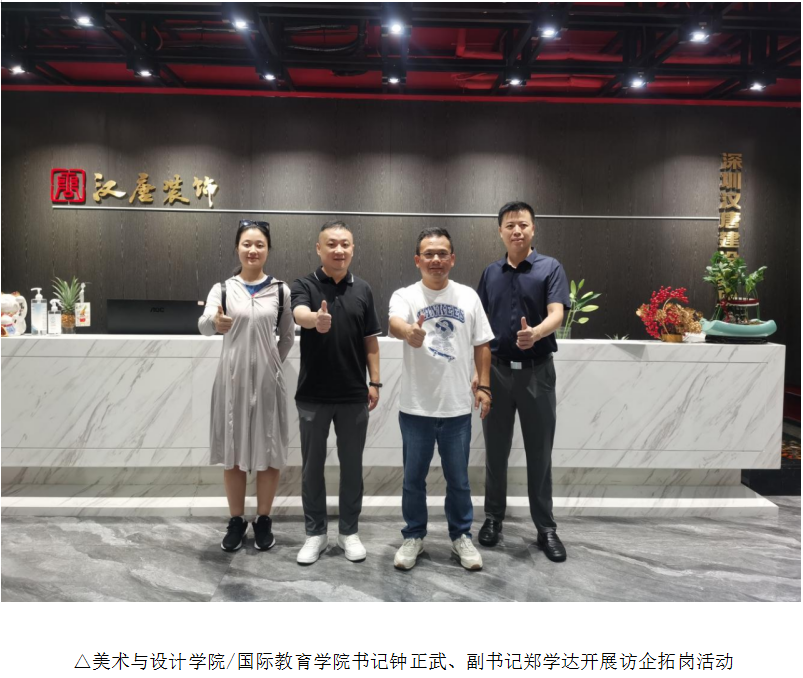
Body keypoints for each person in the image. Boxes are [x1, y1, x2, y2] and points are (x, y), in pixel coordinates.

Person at [389, 227, 493, 571]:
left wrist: (484, 385)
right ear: (417, 260)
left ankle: (461, 536)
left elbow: (483, 344)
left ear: (453, 258)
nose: (436, 259)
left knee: (459, 480)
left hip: (456, 408)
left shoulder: (468, 297)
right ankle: (413, 536)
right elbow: (394, 323)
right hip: (415, 407)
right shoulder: (405, 295)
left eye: (442, 253)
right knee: (412, 480)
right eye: (429, 254)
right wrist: (409, 331)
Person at [475, 201, 571, 562]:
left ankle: (545, 528)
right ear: (500, 231)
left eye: (523, 225)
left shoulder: (550, 268)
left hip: (537, 373)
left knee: (540, 453)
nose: (517, 231)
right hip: (498, 372)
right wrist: (480, 375)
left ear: (533, 229)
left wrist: (537, 333)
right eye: (510, 225)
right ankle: (492, 518)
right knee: (495, 451)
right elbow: (480, 329)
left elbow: (557, 313)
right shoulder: (490, 273)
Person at [199, 219, 295, 552]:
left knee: (269, 450)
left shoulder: (280, 290)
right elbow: (203, 326)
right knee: (234, 451)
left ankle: (263, 519)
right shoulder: (223, 289)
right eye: (247, 244)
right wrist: (215, 322)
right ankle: (237, 520)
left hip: (269, 382)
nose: (253, 250)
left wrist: (273, 364)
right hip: (232, 382)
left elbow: (287, 337)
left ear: (268, 250)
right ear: (237, 248)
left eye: (259, 245)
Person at [290, 220, 382, 565]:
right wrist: (315, 319)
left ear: (353, 249)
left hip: (353, 395)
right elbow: (298, 313)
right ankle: (315, 533)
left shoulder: (364, 289)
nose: (339, 250)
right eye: (331, 244)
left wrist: (375, 381)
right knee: (312, 468)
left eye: (345, 244)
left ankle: (348, 532)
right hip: (312, 394)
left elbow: (370, 340)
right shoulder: (304, 284)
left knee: (352, 468)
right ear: (319, 248)